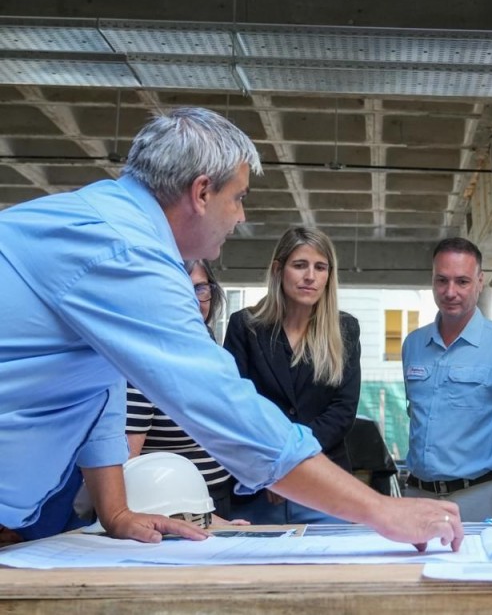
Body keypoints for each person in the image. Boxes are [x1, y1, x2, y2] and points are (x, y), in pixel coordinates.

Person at [0, 107, 462, 550]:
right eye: (238, 197)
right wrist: (383, 511)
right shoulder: (124, 252)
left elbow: (97, 386)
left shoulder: (107, 225)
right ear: (202, 192)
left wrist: (116, 511)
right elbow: (220, 404)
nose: (241, 216)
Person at [402, 237, 492, 522]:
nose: (450, 291)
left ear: (480, 282)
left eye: (462, 282)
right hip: (418, 498)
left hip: (483, 499)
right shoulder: (413, 346)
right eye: (441, 280)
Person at [224, 226, 361, 525]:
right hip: (258, 486)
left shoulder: (345, 330)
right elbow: (239, 406)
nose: (310, 276)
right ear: (278, 270)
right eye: (300, 265)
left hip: (326, 486)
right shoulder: (244, 326)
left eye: (320, 267)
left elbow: (342, 411)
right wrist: (274, 469)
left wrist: (292, 467)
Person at [126, 260, 244, 522]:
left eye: (200, 288)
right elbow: (126, 471)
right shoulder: (146, 363)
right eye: (178, 289)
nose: (192, 300)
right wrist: (208, 521)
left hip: (218, 497)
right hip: (169, 509)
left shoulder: (214, 353)